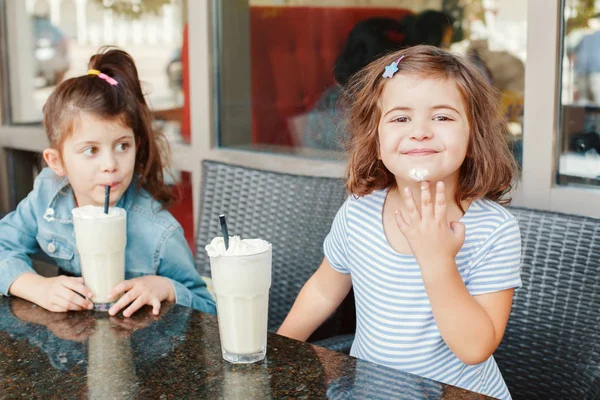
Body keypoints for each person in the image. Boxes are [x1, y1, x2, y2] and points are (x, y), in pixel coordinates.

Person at [278, 45, 521, 399]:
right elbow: (322, 289)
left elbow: (475, 348)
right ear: (376, 140)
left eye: (442, 117)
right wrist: (278, 349)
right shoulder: (359, 211)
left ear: (473, 137)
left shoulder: (494, 230)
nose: (420, 131)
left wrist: (437, 260)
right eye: (400, 118)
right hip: (373, 389)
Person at [0, 47, 216, 317]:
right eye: (91, 150)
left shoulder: (158, 231)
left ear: (136, 146)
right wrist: (35, 286)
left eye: (122, 146)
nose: (111, 165)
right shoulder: (47, 197)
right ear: (57, 162)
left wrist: (168, 287)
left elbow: (208, 309)